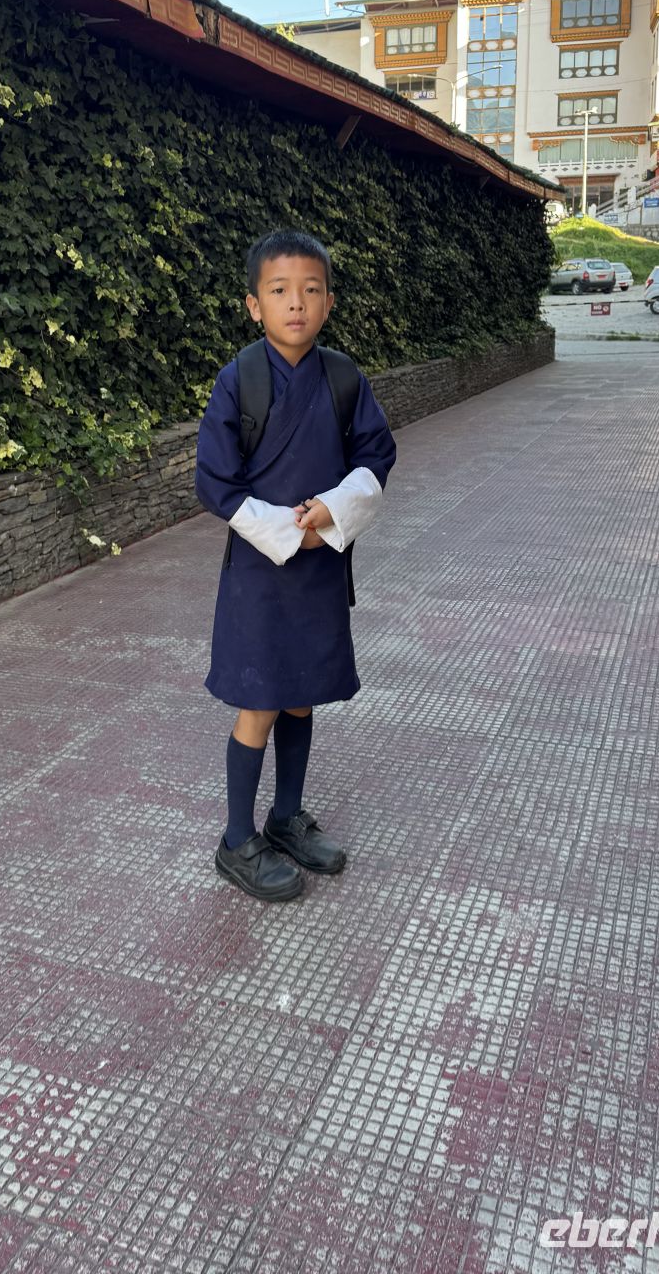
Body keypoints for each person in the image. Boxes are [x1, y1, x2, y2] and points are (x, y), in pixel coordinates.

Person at [195, 229, 397, 902]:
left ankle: (285, 819)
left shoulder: (342, 378)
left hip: (318, 568)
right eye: (280, 291)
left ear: (329, 302)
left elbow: (376, 457)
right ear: (254, 304)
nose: (296, 304)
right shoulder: (239, 381)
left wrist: (332, 516)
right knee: (259, 702)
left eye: (311, 290)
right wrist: (292, 533)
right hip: (260, 572)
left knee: (302, 693)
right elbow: (215, 483)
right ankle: (236, 840)